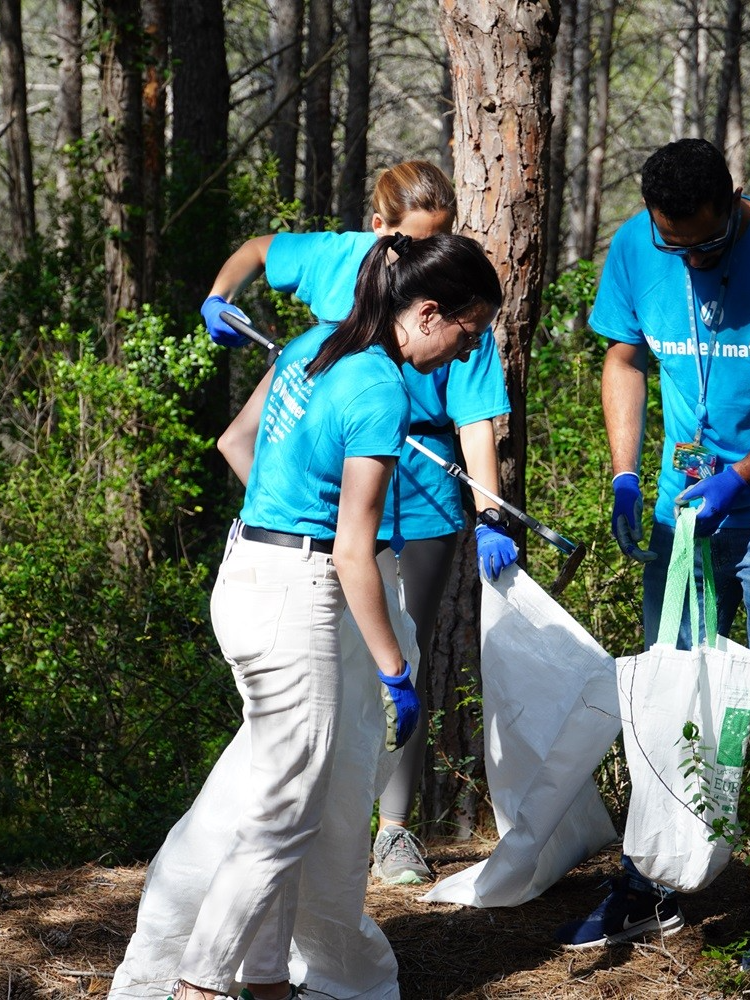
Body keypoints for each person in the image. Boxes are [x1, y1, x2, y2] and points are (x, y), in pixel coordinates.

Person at [112, 233, 503, 1000]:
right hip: (297, 598)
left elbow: (236, 440)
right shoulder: (381, 393)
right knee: (285, 816)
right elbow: (356, 556)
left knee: (295, 789)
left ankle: (267, 981)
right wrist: (394, 669)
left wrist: (288, 516)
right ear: (428, 314)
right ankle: (201, 985)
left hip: (249, 571)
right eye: (469, 330)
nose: (467, 352)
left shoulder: (315, 343)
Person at [554, 138, 750, 975]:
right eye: (670, 241)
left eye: (703, 242)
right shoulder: (633, 249)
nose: (685, 256)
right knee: (668, 694)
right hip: (683, 515)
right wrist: (624, 472)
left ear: (734, 199)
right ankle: (654, 882)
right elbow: (623, 355)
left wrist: (746, 474)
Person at [206, 160, 516, 887]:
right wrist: (302, 514)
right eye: (412, 243)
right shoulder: (339, 309)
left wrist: (490, 511)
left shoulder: (456, 316)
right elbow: (258, 254)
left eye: (438, 241)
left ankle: (393, 829)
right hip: (330, 529)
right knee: (336, 677)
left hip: (421, 501)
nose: (421, 258)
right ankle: (320, 830)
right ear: (379, 232)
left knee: (395, 656)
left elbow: (475, 416)